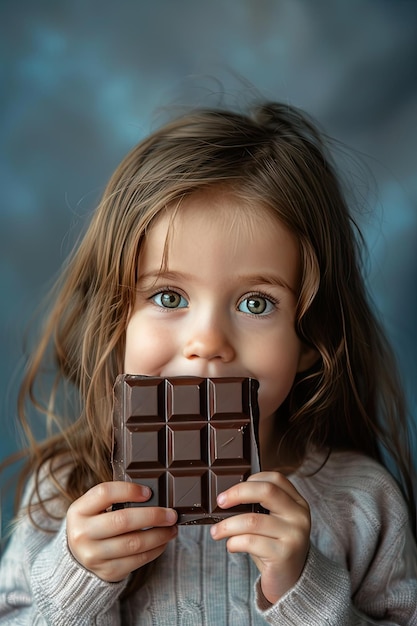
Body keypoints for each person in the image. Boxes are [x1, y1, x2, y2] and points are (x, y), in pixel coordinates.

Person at [0, 101, 416, 625]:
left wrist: (306, 589)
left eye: (256, 303)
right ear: (117, 317)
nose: (208, 341)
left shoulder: (362, 503)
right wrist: (75, 581)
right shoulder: (65, 491)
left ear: (312, 337)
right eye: (170, 297)